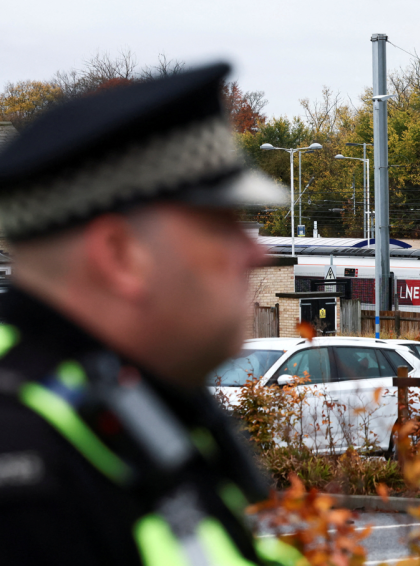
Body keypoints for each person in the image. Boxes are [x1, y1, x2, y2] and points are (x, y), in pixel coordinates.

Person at [0, 64, 300, 566]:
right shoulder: (29, 471)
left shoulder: (124, 407)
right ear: (121, 256)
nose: (255, 253)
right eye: (220, 225)